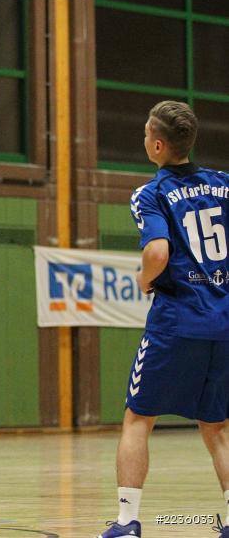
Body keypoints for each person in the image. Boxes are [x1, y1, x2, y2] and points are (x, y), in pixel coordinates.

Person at [97, 101, 229, 538]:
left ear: (157, 145)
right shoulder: (225, 186)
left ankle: (126, 522)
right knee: (218, 426)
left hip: (177, 321)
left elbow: (157, 253)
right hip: (224, 322)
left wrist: (144, 278)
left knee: (138, 418)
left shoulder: (151, 193)